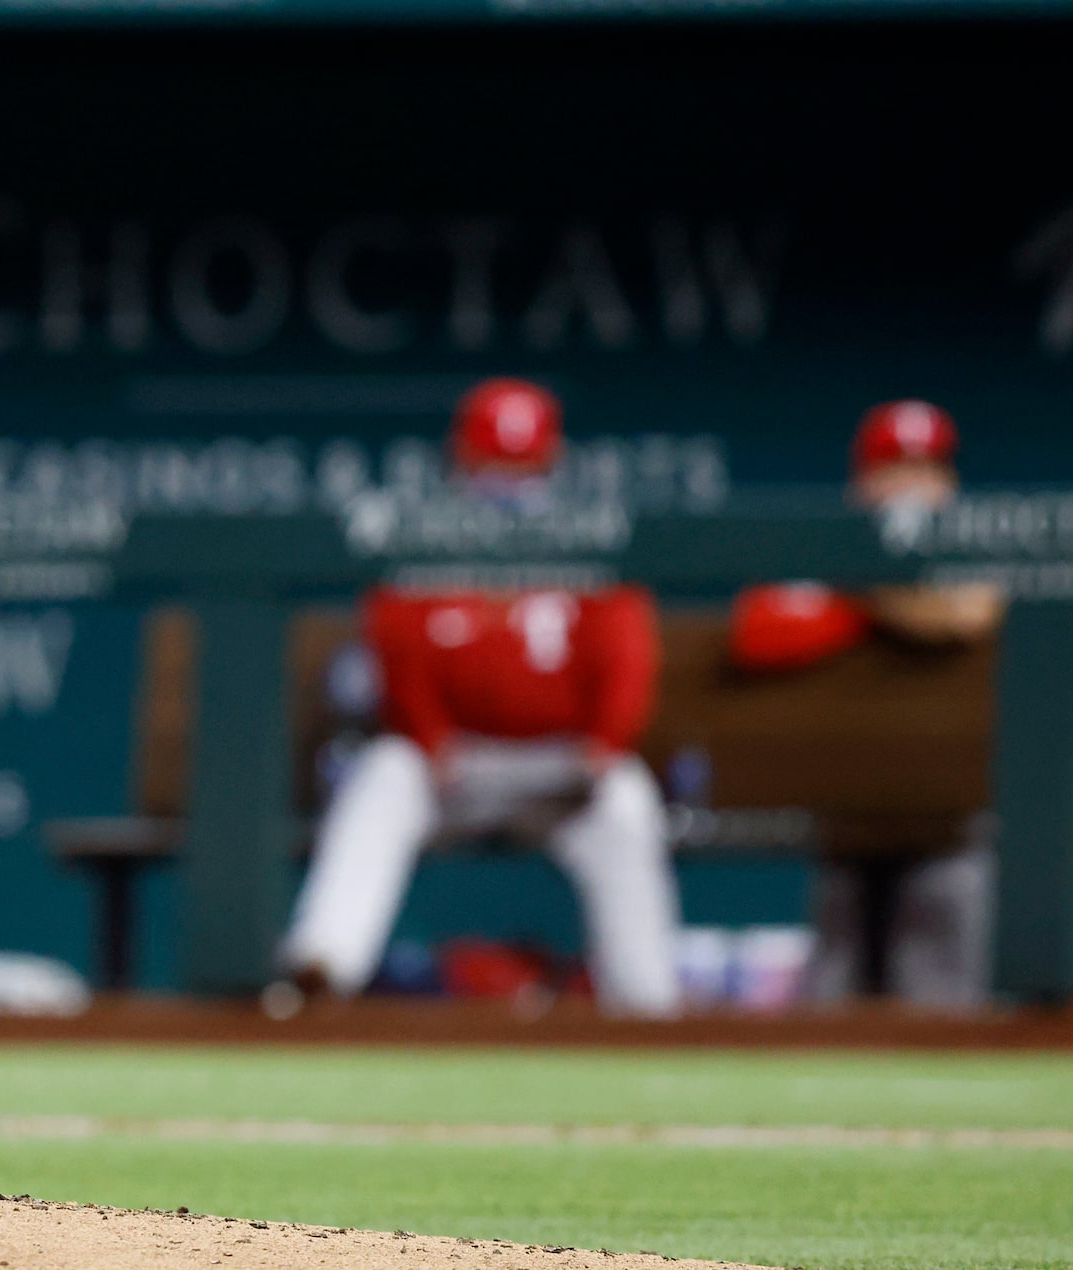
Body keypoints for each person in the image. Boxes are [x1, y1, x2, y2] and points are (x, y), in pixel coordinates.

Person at [277, 378, 682, 1017]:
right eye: (492, 468)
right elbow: (397, 652)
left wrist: (604, 745)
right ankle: (323, 967)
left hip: (562, 767)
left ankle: (649, 1002)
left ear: (551, 464)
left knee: (626, 800)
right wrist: (429, 737)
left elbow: (628, 659)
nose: (506, 487)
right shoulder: (423, 547)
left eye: (521, 470)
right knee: (386, 772)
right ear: (461, 461)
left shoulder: (592, 544)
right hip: (452, 764)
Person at [728, 401, 1002, 1006]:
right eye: (892, 470)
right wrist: (865, 599)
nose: (908, 486)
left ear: (948, 482)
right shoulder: (825, 554)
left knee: (946, 979)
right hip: (844, 816)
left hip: (953, 816)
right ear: (861, 483)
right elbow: (758, 633)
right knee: (833, 991)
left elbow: (967, 617)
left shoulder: (979, 550)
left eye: (924, 469)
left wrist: (887, 595)